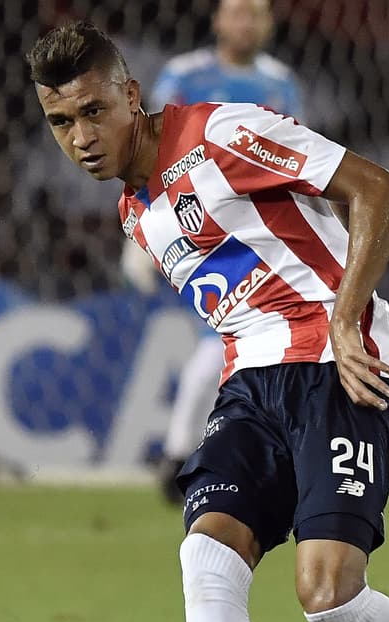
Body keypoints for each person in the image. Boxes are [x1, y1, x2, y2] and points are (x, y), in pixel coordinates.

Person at [26, 21, 389, 622]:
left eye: (94, 112)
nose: (81, 137)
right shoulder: (135, 210)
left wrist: (344, 314)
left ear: (131, 96)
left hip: (341, 366)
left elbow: (380, 190)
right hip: (252, 384)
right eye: (61, 122)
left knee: (329, 599)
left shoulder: (224, 132)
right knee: (206, 557)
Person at [133, 0, 308, 503]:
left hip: (257, 233)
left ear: (269, 24)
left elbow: (296, 154)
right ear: (217, 21)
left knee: (227, 343)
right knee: (226, 343)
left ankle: (183, 453)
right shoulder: (183, 76)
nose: (246, 23)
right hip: (191, 229)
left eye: (256, 13)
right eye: (237, 12)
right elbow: (147, 144)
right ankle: (194, 451)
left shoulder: (281, 83)